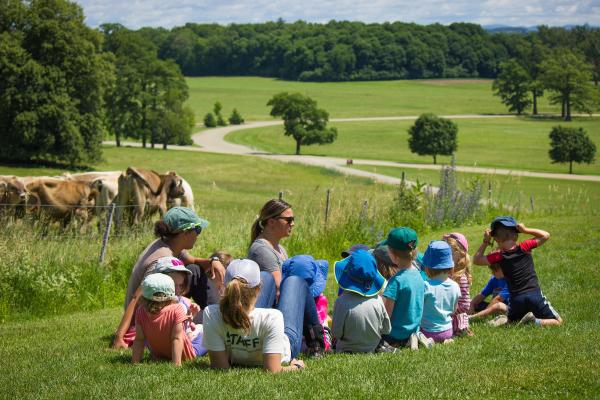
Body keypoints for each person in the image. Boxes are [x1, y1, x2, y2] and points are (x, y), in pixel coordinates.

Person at [112, 207, 226, 349]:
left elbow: (194, 261)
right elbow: (137, 297)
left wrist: (213, 260)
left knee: (194, 271)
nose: (198, 235)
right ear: (184, 233)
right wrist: (119, 336)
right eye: (197, 230)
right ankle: (220, 320)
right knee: (209, 320)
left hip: (156, 309)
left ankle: (218, 316)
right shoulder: (162, 259)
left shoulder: (169, 244)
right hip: (148, 317)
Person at [202, 259, 307, 372]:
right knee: (294, 281)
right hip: (285, 349)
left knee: (267, 275)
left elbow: (220, 367)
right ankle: (317, 335)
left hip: (259, 328)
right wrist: (297, 367)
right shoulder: (272, 317)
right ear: (258, 288)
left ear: (225, 285)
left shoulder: (211, 314)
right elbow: (273, 370)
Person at [473, 217, 562, 327]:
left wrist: (486, 241)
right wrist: (525, 230)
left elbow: (476, 260)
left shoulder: (498, 256)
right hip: (534, 295)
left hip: (516, 300)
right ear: (516, 234)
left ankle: (509, 321)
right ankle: (535, 322)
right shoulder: (524, 247)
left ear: (495, 239)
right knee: (558, 321)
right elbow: (545, 235)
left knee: (513, 322)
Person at [132, 273, 203, 366]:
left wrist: (135, 362)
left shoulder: (141, 311)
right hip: (185, 355)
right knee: (207, 333)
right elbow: (177, 338)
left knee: (196, 330)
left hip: (159, 355)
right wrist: (176, 364)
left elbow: (139, 340)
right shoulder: (176, 309)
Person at [332, 249, 392, 353]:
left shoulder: (341, 302)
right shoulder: (378, 301)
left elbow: (336, 333)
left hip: (346, 349)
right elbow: (387, 329)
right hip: (372, 348)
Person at [380, 228, 429, 349]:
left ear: (393, 256)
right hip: (413, 330)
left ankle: (399, 343)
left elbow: (387, 315)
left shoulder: (396, 281)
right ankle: (412, 338)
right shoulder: (419, 276)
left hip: (394, 335)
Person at [248, 199, 294, 306]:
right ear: (271, 222)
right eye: (289, 220)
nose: (292, 224)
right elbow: (281, 287)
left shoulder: (280, 248)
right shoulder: (261, 250)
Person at [420, 240, 460, 343]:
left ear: (427, 268)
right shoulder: (455, 286)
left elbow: (418, 310)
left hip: (427, 331)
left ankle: (427, 341)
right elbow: (454, 310)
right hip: (448, 330)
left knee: (414, 332)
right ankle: (446, 340)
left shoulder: (426, 286)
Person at [442, 232, 473, 337]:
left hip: (455, 318)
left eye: (448, 252)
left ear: (460, 253)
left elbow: (465, 305)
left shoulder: (460, 278)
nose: (444, 255)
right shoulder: (446, 273)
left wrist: (448, 312)